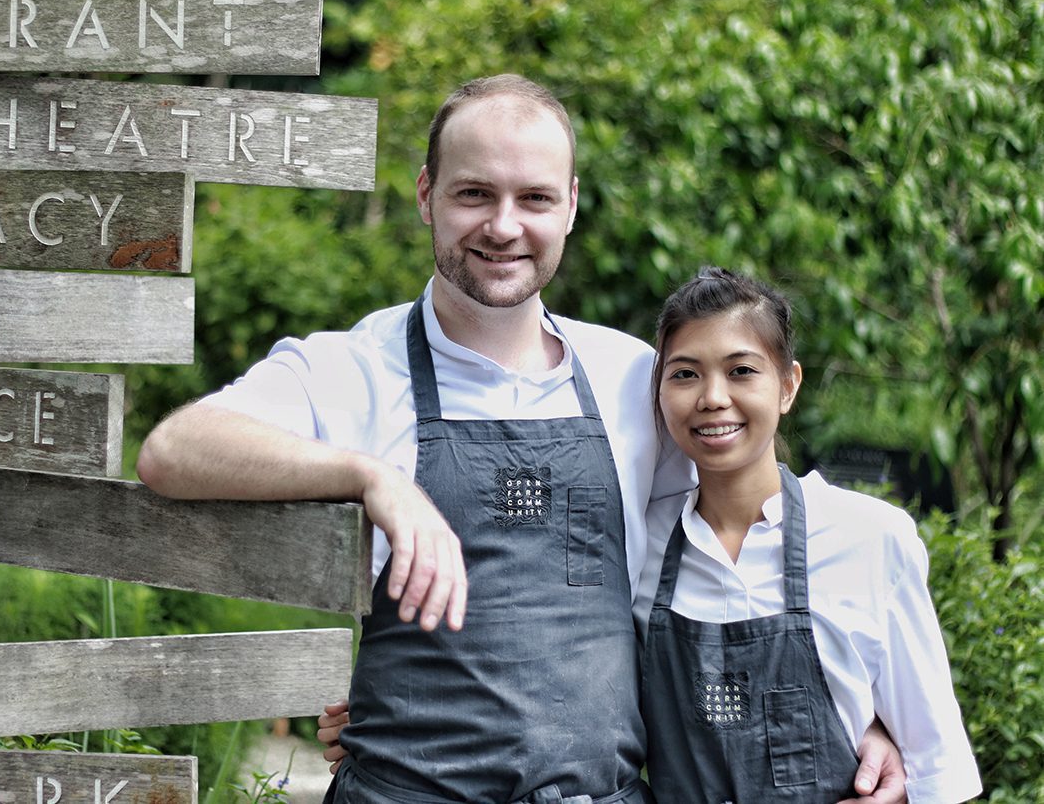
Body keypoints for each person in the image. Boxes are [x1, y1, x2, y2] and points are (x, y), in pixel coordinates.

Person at [138, 75, 907, 802]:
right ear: (425, 194)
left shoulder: (630, 375)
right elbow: (174, 450)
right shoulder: (354, 369)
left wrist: (851, 708)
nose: (503, 226)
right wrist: (373, 478)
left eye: (533, 198)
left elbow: (732, 556)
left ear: (569, 206)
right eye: (474, 193)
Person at [631, 267, 981, 801]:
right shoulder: (639, 541)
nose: (712, 397)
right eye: (684, 374)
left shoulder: (870, 537)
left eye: (742, 370)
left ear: (788, 385)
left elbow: (936, 768)